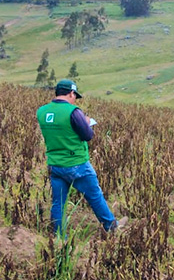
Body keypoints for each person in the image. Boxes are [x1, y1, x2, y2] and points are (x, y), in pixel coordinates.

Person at [37, 79, 124, 237]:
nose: (75, 99)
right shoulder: (73, 112)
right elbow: (87, 135)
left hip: (55, 164)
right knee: (95, 195)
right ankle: (111, 226)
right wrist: (87, 122)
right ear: (71, 93)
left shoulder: (42, 111)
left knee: (58, 202)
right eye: (75, 95)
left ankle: (58, 235)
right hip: (76, 163)